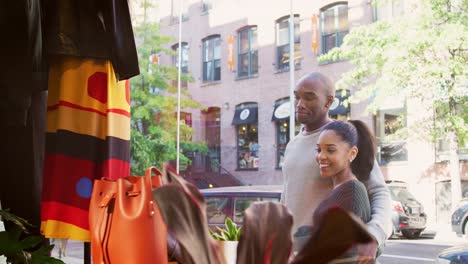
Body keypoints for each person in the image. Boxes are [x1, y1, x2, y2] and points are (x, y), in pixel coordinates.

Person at [281, 72, 392, 261]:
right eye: (297, 97)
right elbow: (288, 197)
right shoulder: (292, 145)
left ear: (328, 101)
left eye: (309, 97)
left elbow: (379, 193)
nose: (300, 103)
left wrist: (374, 235)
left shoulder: (346, 140)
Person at [295, 120, 376, 263]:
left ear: (352, 153)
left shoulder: (352, 191)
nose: (321, 156)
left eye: (330, 150)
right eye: (319, 150)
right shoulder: (339, 189)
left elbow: (350, 253)